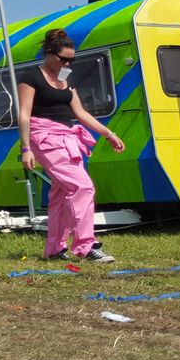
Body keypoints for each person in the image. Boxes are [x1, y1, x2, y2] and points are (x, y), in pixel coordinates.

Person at [18, 28, 124, 262]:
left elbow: (80, 112)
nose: (67, 64)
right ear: (48, 53)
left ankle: (54, 249)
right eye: (62, 59)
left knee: (61, 193)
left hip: (66, 136)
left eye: (70, 60)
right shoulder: (31, 77)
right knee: (82, 187)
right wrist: (25, 149)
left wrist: (109, 133)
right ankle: (86, 246)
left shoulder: (66, 76)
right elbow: (24, 115)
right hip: (43, 136)